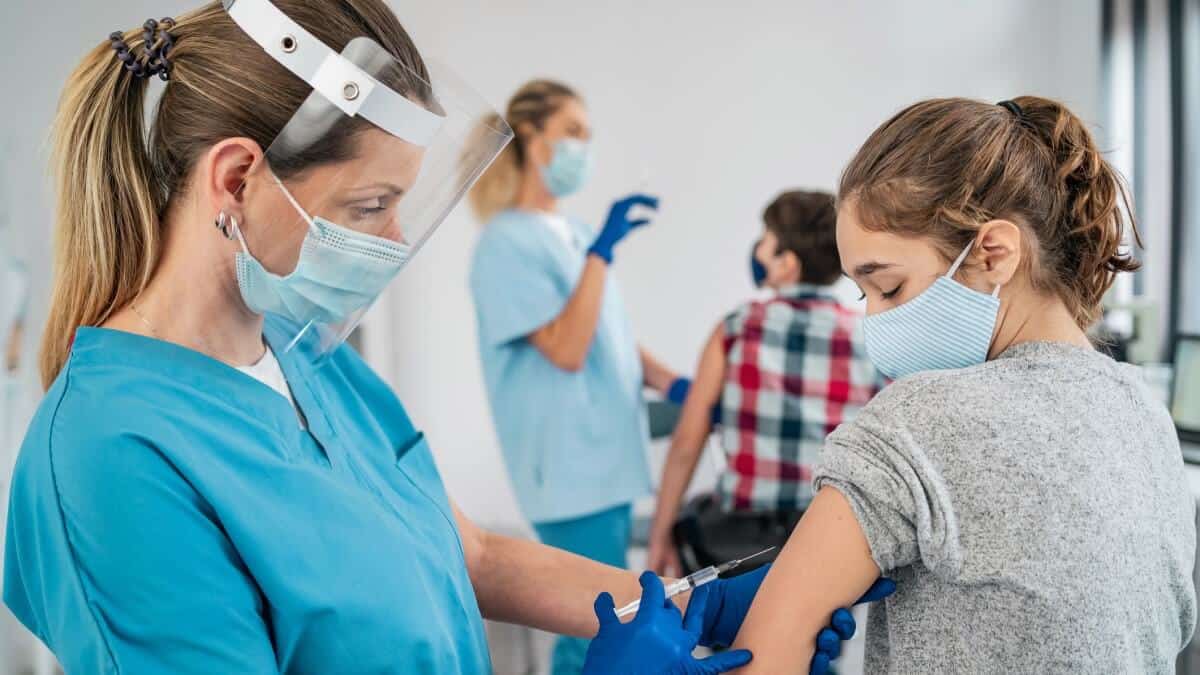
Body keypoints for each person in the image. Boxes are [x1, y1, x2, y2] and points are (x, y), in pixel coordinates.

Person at [2, 2, 871, 673]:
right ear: (235, 179)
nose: (390, 243)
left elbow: (475, 556)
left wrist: (691, 603)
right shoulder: (111, 458)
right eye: (371, 205)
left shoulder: (314, 364)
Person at [728, 96, 1198, 672]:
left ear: (993, 253)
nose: (875, 319)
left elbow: (762, 660)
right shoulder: (1145, 413)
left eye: (889, 288)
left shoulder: (916, 421)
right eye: (863, 294)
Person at [467, 80, 690, 674]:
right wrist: (603, 253)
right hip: (568, 467)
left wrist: (674, 385)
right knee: (595, 626)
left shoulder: (568, 234)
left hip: (604, 463)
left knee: (606, 622)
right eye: (573, 132)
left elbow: (606, 335)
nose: (582, 148)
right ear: (533, 141)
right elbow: (566, 349)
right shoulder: (505, 243)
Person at [647, 190, 882, 577]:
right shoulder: (868, 335)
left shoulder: (737, 327)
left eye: (766, 239)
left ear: (786, 263)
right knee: (815, 628)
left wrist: (659, 537)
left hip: (742, 538)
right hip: (827, 533)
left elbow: (688, 442)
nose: (757, 250)